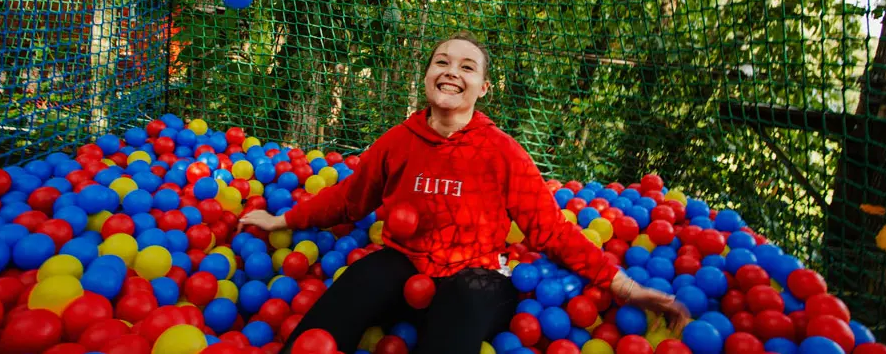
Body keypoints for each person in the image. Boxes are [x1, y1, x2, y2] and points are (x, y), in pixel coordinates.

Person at [240, 31, 689, 353]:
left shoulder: (502, 152)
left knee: (456, 315)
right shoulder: (398, 141)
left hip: (474, 274)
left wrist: (626, 289)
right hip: (404, 261)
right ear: (428, 75)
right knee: (348, 294)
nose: (452, 71)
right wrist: (284, 219)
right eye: (442, 61)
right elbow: (351, 197)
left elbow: (549, 229)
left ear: (483, 87)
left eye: (466, 67)